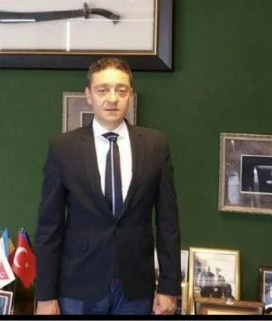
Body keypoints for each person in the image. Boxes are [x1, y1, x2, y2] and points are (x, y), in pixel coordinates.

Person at [35, 57, 181, 315]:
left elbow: (168, 222)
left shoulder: (155, 145)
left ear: (130, 95)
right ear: (88, 95)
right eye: (102, 90)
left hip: (136, 288)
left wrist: (169, 286)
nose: (112, 98)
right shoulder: (63, 147)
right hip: (78, 287)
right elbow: (49, 226)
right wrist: (45, 296)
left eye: (121, 90)